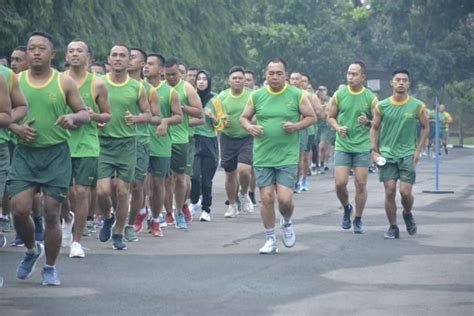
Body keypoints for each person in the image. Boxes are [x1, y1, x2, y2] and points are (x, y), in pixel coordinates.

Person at [8, 31, 90, 285]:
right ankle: (33, 249)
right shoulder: (15, 81)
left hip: (56, 154)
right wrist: (17, 128)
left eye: (41, 48)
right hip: (25, 153)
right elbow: (3, 114)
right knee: (19, 209)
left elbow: (85, 113)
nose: (35, 52)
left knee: (52, 212)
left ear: (52, 54)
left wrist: (73, 118)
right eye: (31, 48)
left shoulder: (64, 82)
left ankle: (50, 267)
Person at [240, 58, 316, 254]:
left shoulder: (297, 95)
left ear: (285, 75)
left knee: (285, 200)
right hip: (263, 155)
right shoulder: (257, 96)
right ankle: (270, 239)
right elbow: (243, 117)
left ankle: (287, 222)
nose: (274, 77)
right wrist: (250, 126)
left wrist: (296, 126)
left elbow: (311, 117)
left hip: (287, 156)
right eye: (271, 73)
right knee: (266, 198)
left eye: (278, 73)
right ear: (266, 75)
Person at [96, 44, 151, 250]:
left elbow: (148, 114)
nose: (118, 59)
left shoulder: (137, 87)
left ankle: (118, 232)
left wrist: (136, 118)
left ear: (129, 61)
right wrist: (97, 120)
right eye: (114, 55)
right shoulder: (98, 82)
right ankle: (108, 217)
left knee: (121, 190)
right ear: (109, 59)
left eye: (122, 56)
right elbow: (89, 108)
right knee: (102, 191)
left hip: (128, 143)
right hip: (103, 142)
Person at [63, 40, 111, 257]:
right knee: (60, 193)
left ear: (88, 56)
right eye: (71, 51)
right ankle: (66, 219)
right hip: (60, 143)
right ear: (65, 56)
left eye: (79, 51)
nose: (75, 54)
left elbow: (107, 114)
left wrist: (94, 116)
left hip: (86, 145)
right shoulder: (57, 80)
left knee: (82, 192)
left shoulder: (97, 84)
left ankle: (76, 241)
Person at [370, 69, 429, 239]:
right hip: (387, 154)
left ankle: (408, 212)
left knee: (404, 192)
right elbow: (374, 128)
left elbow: (426, 127)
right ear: (392, 82)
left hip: (407, 154)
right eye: (398, 80)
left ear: (408, 84)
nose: (401, 83)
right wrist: (374, 152)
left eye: (404, 80)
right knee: (389, 191)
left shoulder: (417, 105)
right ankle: (393, 227)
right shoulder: (382, 105)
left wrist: (418, 150)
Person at [327, 61, 378, 234]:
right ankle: (347, 207)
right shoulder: (339, 94)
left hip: (362, 146)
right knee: (340, 183)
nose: (350, 77)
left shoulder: (371, 98)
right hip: (343, 145)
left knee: (360, 184)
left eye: (354, 74)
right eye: (349, 73)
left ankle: (358, 218)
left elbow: (379, 122)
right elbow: (330, 117)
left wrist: (368, 122)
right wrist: (337, 127)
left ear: (363, 77)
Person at [143, 53, 182, 236]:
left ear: (160, 70)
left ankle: (156, 219)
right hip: (140, 141)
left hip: (160, 143)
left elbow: (178, 116)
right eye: (145, 64)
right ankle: (141, 213)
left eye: (150, 64)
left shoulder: (170, 92)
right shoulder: (137, 88)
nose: (146, 67)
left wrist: (165, 121)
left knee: (158, 184)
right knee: (139, 183)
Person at [125, 48, 161, 242]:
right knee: (114, 187)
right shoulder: (106, 84)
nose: (127, 61)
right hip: (114, 141)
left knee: (138, 186)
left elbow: (156, 118)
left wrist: (138, 119)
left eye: (132, 58)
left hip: (140, 140)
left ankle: (131, 223)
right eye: (125, 57)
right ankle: (112, 217)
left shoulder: (148, 89)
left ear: (142, 65)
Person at [163, 58, 203, 229]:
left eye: (174, 74)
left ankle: (179, 210)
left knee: (180, 178)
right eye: (168, 75)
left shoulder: (186, 88)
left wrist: (182, 107)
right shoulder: (159, 88)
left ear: (180, 73)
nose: (171, 78)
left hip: (181, 138)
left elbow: (199, 113)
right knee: (164, 179)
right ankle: (167, 213)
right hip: (161, 138)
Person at [217, 66, 254, 217]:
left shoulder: (252, 96)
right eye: (235, 78)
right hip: (227, 138)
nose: (238, 81)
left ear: (245, 81)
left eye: (240, 78)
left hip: (247, 137)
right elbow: (214, 116)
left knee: (244, 170)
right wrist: (221, 121)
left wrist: (253, 123)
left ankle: (244, 194)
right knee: (229, 173)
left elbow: (259, 112)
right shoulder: (222, 97)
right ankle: (232, 205)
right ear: (229, 81)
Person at [190, 70, 224, 221]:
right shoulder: (191, 96)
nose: (201, 81)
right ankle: (194, 201)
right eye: (199, 79)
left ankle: (206, 209)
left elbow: (222, 124)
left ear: (209, 82)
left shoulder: (215, 100)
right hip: (193, 138)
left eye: (205, 79)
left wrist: (212, 117)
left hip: (209, 141)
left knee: (206, 180)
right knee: (194, 176)